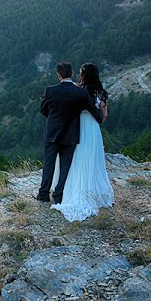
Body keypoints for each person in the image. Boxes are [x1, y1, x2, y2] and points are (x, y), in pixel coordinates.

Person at [51, 63, 114, 221]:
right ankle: (93, 191)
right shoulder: (101, 92)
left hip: (77, 127)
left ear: (83, 75)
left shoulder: (78, 90)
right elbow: (104, 115)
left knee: (76, 158)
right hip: (93, 129)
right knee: (92, 160)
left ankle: (69, 190)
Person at [36, 62, 104, 204]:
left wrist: (54, 117)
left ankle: (43, 194)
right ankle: (58, 195)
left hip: (53, 132)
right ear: (72, 74)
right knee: (65, 166)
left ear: (58, 75)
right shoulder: (81, 92)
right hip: (71, 133)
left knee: (49, 164)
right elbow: (94, 112)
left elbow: (43, 110)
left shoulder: (50, 90)